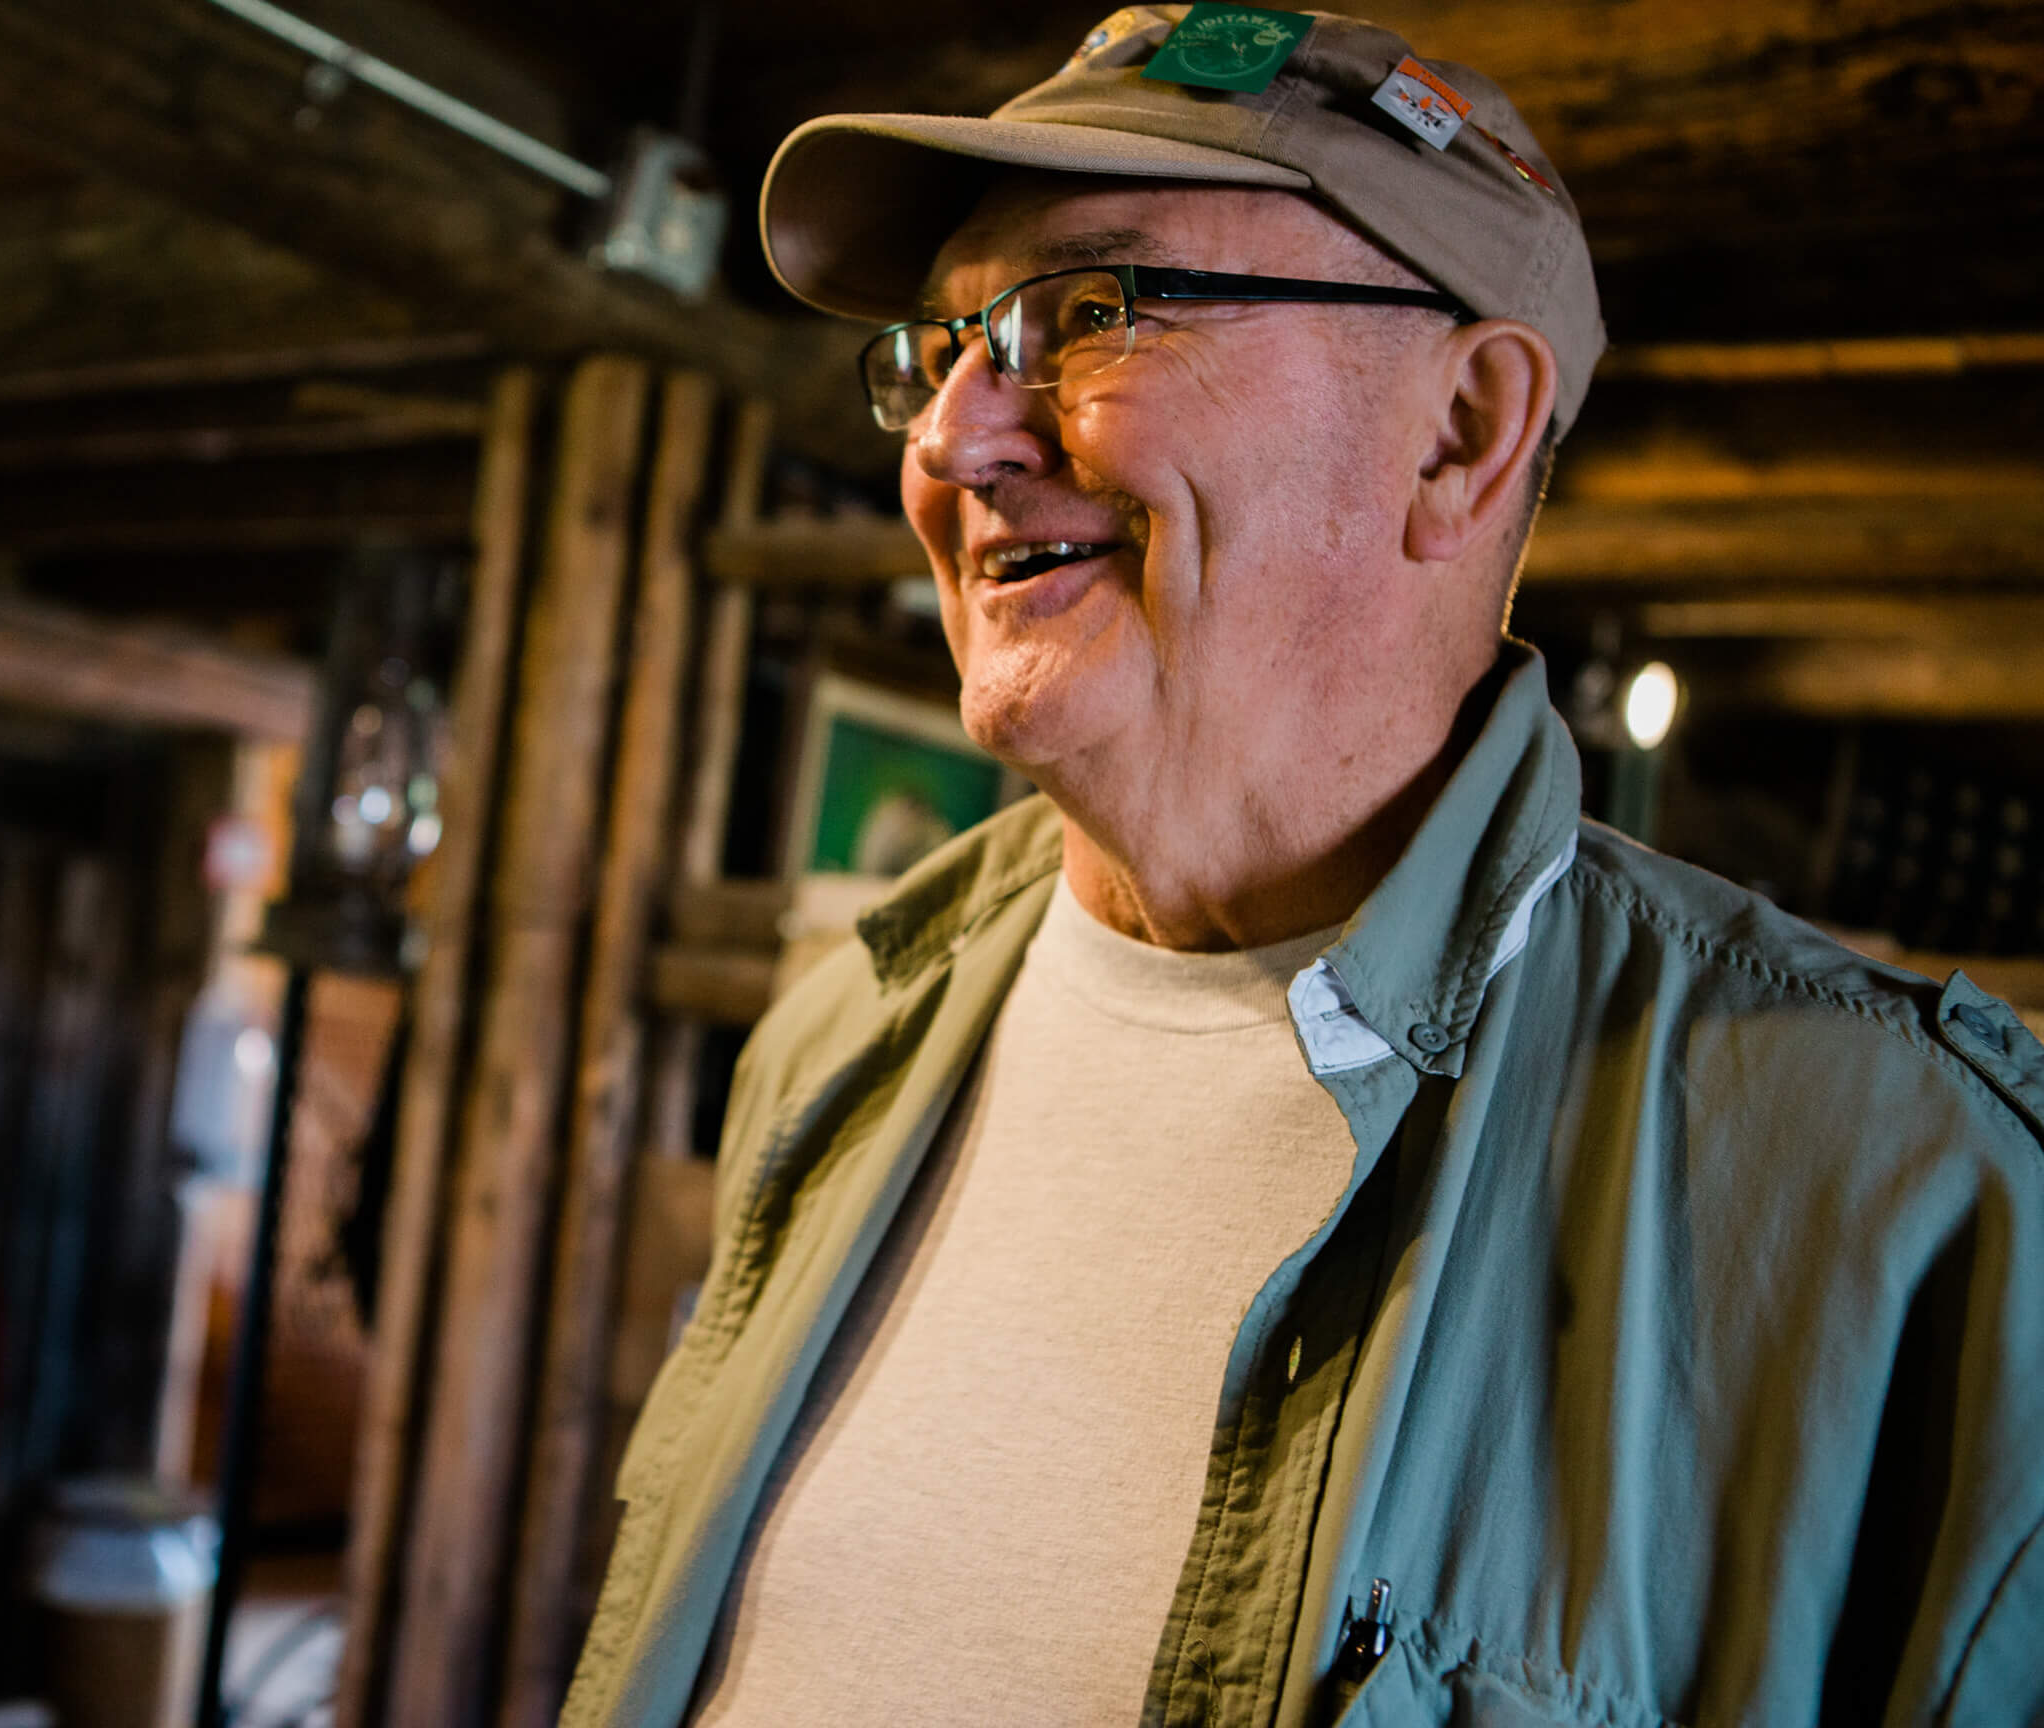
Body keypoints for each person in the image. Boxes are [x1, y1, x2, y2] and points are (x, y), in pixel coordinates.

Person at [566, 9, 2044, 1726]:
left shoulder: (1912, 1200)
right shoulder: (841, 1035)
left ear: (1460, 434)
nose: (952, 440)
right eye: (944, 343)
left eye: (1088, 314)